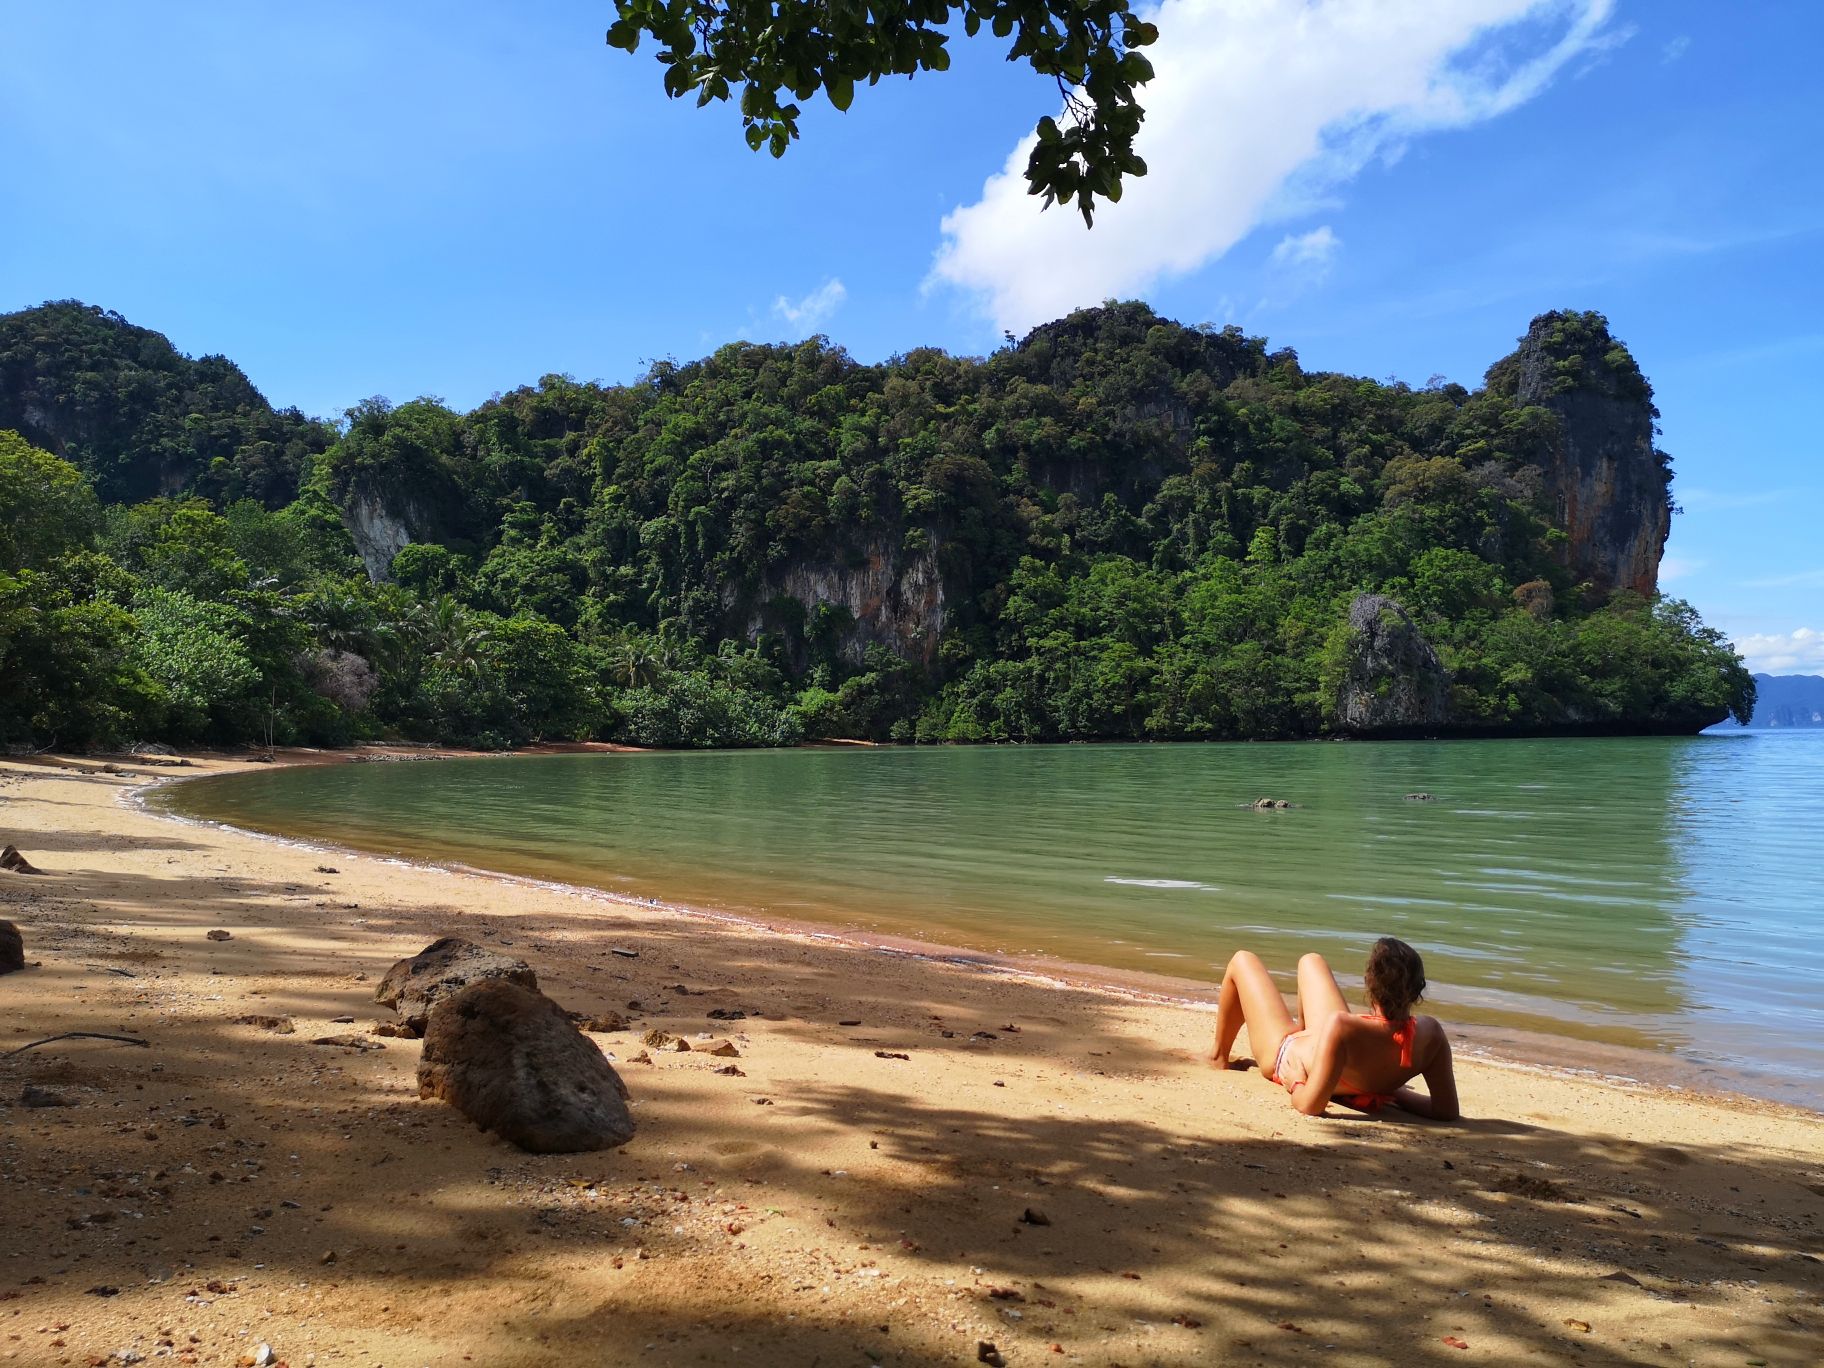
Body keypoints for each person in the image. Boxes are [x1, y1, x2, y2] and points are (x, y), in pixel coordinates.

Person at [1210, 937, 1459, 1119]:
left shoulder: (1344, 1026)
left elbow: (1310, 1106)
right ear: (1418, 990)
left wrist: (1296, 1082)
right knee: (1311, 961)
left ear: (1369, 983)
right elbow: (1446, 1111)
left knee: (1242, 960)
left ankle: (1219, 1057)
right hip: (1340, 1056)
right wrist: (1393, 1091)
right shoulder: (1432, 1034)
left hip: (1286, 1055)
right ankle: (1302, 1029)